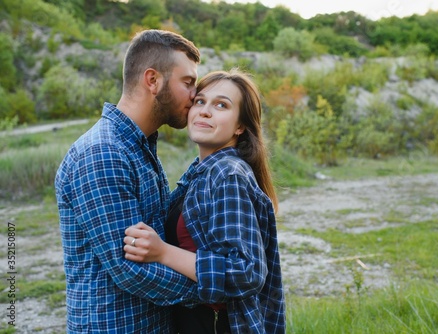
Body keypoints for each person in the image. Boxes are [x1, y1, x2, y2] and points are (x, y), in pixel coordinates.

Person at [54, 29, 202, 333]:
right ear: (152, 80)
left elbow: (158, 231)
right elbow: (130, 270)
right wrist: (213, 291)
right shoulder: (103, 152)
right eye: (187, 82)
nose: (195, 95)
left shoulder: (138, 145)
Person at [123, 69, 286, 333]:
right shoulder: (201, 170)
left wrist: (163, 252)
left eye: (221, 105)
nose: (205, 111)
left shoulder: (228, 174)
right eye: (200, 101)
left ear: (240, 126)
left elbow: (247, 273)